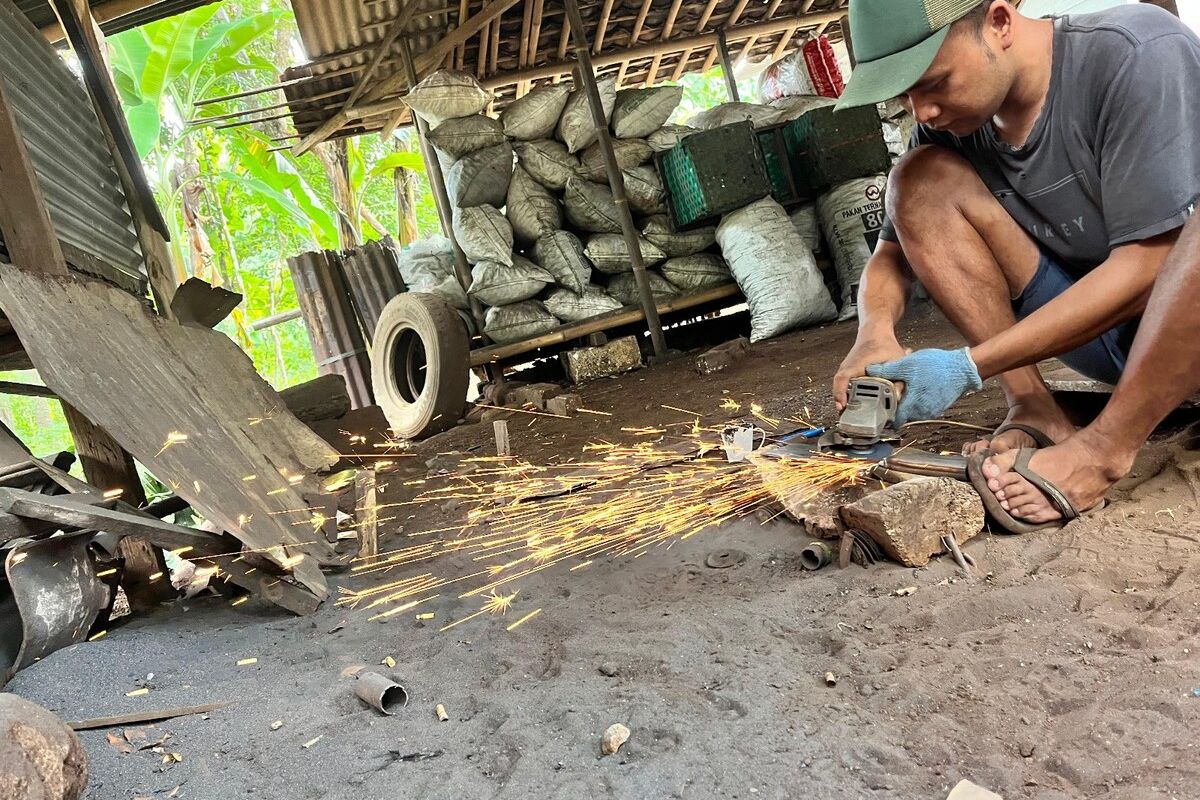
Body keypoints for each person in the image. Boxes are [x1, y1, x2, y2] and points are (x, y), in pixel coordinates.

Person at [831, 0, 1200, 530]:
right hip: (1109, 344)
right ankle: (1034, 407)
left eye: (934, 82)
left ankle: (1105, 448)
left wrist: (970, 364)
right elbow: (890, 255)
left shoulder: (1137, 52)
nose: (923, 112)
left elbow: (1150, 269)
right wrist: (874, 330)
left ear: (999, 22)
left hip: (1181, 325)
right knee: (916, 181)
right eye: (906, 95)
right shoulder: (954, 124)